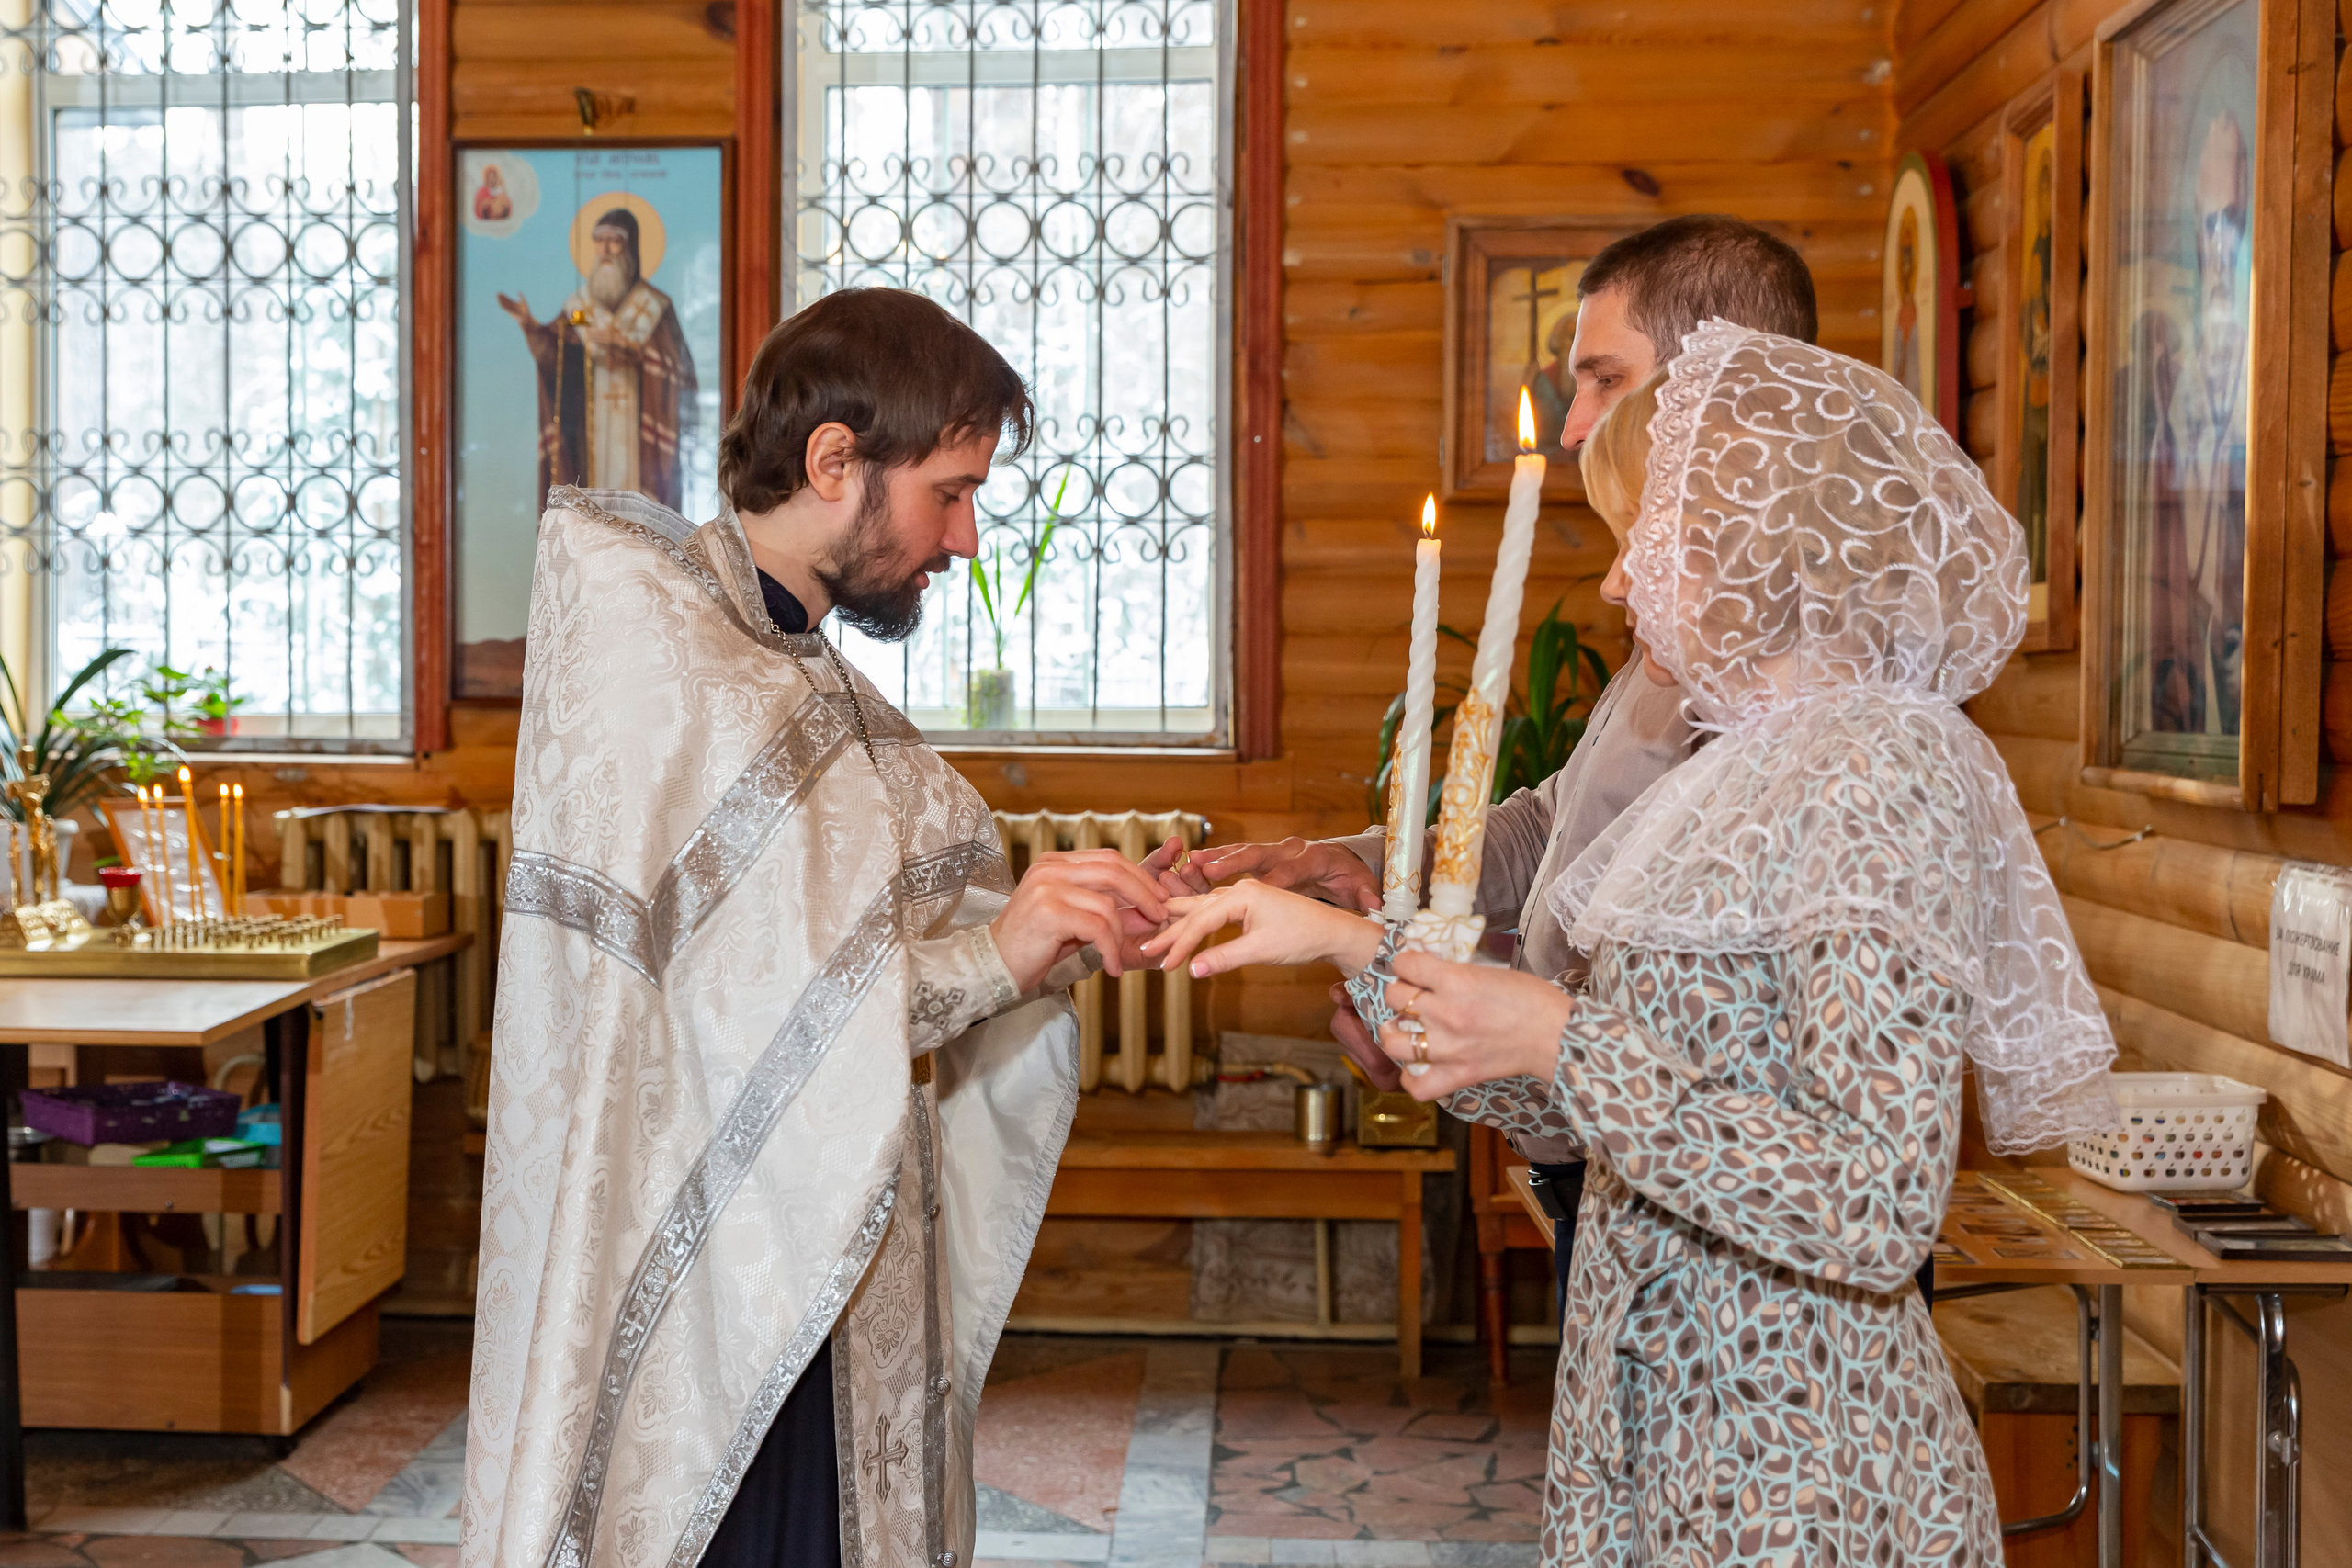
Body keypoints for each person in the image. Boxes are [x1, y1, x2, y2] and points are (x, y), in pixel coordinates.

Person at [1143, 324, 2120, 1564]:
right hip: (1664, 1418)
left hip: (1794, 1464)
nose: (1613, 586)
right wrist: (1348, 947)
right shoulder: (1736, 755)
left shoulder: (1879, 767)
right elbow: (1601, 1085)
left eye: (1637, 540)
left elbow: (1875, 1199)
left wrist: (1550, 1028)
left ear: (1744, 540)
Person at [466, 288, 1170, 1568]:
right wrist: (1001, 952)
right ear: (835, 459)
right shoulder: (668, 655)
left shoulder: (802, 674)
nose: (962, 538)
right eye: (948, 492)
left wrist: (1063, 915)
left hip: (836, 1242)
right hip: (713, 1273)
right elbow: (734, 1021)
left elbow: (873, 927)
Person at [1148, 214, 1820, 1303]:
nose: (1573, 429)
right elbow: (1558, 824)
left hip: (1725, 1246)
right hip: (1606, 1180)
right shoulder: (1682, 632)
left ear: (1723, 380)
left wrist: (1369, 953)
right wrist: (1342, 859)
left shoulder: (1804, 699)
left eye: (1604, 380)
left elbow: (1748, 1088)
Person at [498, 206, 699, 511]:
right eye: (599, 240)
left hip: (639, 436)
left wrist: (629, 347)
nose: (605, 250)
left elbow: (680, 373)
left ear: (629, 247)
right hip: (589, 432)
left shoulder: (654, 307)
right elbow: (557, 357)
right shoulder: (580, 309)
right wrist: (531, 327)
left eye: (614, 241)